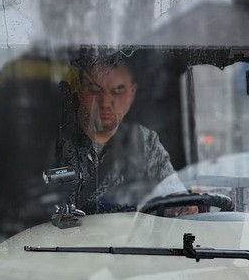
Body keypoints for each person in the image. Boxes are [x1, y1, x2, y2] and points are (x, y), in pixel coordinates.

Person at [56, 55, 194, 215]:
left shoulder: (144, 142)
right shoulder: (55, 143)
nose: (105, 102)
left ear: (132, 94)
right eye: (94, 89)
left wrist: (181, 205)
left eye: (118, 91)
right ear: (79, 89)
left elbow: (174, 193)